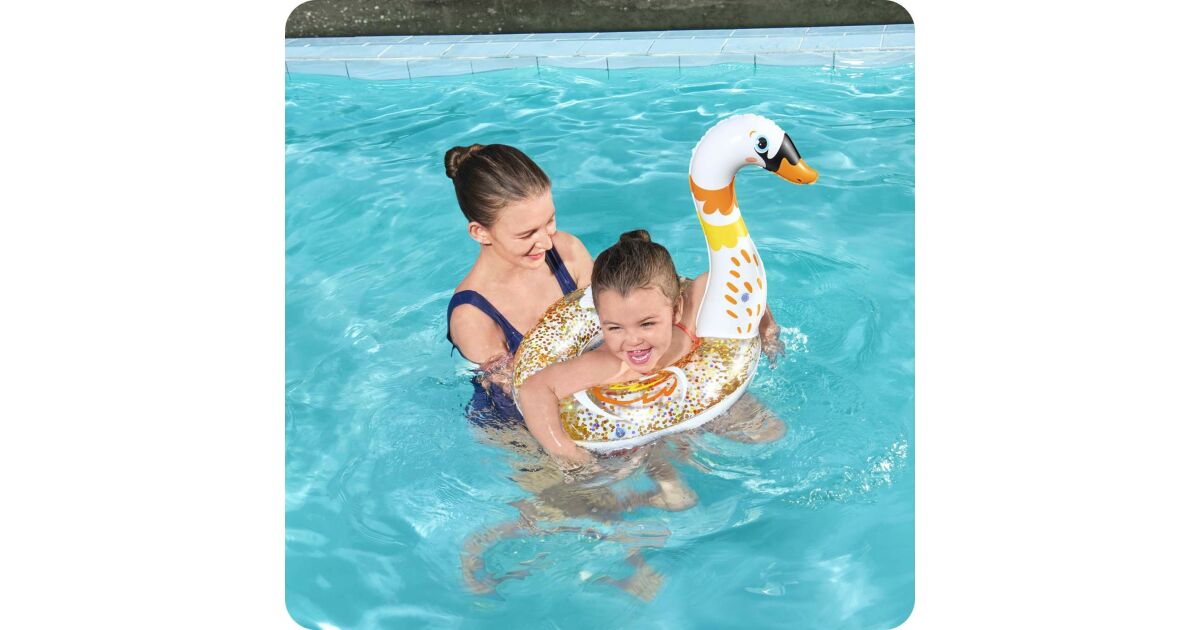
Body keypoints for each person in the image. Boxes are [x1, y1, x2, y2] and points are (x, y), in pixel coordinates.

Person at [518, 229, 786, 468]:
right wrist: (564, 451)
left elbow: (735, 281)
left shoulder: (688, 319)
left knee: (771, 432)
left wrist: (767, 328)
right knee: (671, 491)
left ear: (676, 309)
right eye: (615, 327)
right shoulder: (608, 364)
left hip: (702, 396)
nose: (632, 340)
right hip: (639, 435)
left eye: (646, 324)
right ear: (600, 320)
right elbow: (534, 389)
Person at [443, 143, 593, 422]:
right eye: (527, 234)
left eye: (550, 221)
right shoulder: (472, 316)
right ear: (480, 232)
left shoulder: (567, 253)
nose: (546, 242)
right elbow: (520, 399)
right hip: (517, 425)